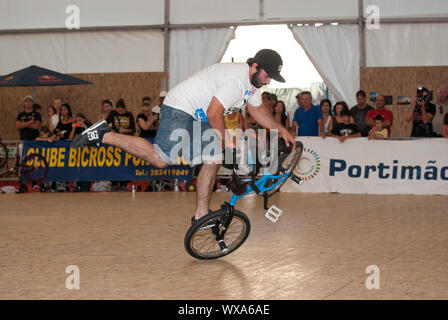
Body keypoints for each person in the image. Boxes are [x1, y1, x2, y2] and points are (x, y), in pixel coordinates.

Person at [71, 48, 294, 222]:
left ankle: (201, 214)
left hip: (198, 118)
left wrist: (281, 129)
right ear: (254, 66)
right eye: (267, 75)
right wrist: (226, 140)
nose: (268, 81)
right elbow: (214, 113)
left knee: (213, 159)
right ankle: (105, 134)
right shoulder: (236, 81)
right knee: (160, 160)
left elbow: (256, 110)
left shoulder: (251, 85)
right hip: (181, 108)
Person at [106, 98, 135, 191]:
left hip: (126, 140)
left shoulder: (129, 115)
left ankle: (123, 183)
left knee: (125, 162)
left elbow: (133, 129)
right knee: (114, 162)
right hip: (115, 140)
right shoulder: (113, 114)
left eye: (121, 110)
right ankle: (114, 183)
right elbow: (105, 123)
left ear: (124, 108)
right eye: (118, 109)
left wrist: (124, 130)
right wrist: (112, 130)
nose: (119, 111)